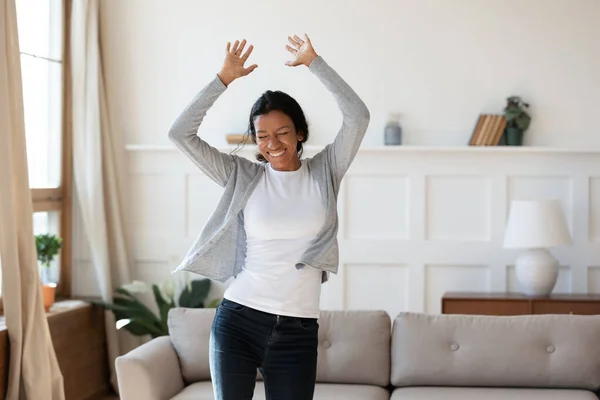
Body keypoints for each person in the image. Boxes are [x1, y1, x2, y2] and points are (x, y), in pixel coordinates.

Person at [168, 33, 370, 400]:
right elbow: (179, 134)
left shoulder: (326, 171)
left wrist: (314, 63)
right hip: (238, 319)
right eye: (262, 136)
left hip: (299, 330)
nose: (272, 143)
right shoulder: (242, 176)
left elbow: (358, 116)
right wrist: (223, 80)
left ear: (300, 134)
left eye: (282, 132)